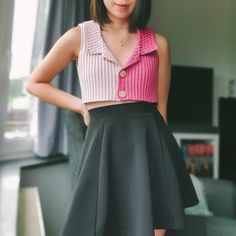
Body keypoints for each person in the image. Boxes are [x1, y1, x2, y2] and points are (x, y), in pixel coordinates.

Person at [25, 0, 199, 236]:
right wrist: (81, 106)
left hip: (148, 149)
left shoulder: (159, 44)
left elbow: (162, 112)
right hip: (102, 148)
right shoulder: (79, 36)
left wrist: (163, 175)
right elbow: (35, 83)